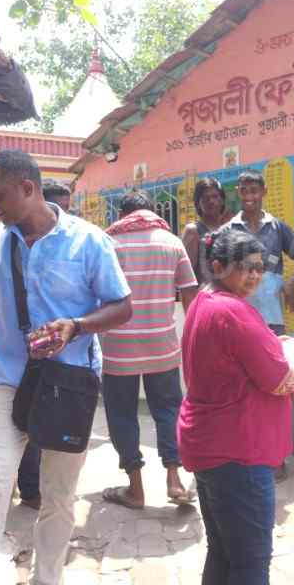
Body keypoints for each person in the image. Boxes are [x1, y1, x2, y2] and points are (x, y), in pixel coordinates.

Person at [0, 149, 133, 585]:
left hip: (70, 383)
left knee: (58, 496)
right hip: (10, 380)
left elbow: (122, 307)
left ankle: (47, 578)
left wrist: (75, 326)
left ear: (28, 188)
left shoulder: (89, 241)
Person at [177, 228, 294, 585]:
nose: (254, 275)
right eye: (244, 268)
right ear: (217, 266)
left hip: (210, 445)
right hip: (238, 451)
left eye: (259, 267)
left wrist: (276, 343)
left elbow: (238, 356)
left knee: (222, 551)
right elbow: (278, 379)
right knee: (250, 563)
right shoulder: (232, 311)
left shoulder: (205, 300)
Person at [100, 189, 199, 509]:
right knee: (168, 409)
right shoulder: (172, 243)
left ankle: (135, 488)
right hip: (161, 344)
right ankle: (174, 478)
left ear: (123, 214)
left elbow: (96, 293)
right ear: (152, 211)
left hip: (119, 345)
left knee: (121, 413)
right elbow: (189, 293)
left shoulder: (109, 243)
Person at [228, 170, 294, 481]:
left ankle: (277, 457)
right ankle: (246, 452)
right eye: (244, 189)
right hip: (239, 318)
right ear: (239, 192)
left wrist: (289, 286)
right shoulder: (229, 229)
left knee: (276, 386)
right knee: (242, 386)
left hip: (271, 318)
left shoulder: (278, 228)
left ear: (263, 191)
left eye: (254, 189)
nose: (249, 194)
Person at [16, 181, 76, 511]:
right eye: (58, 205)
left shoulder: (76, 243)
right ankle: (29, 489)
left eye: (67, 206)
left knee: (55, 429)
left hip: (65, 356)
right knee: (29, 426)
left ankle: (47, 492)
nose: (62, 214)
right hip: (25, 354)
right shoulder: (15, 245)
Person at [181, 177, 229, 286]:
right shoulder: (192, 231)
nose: (211, 201)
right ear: (198, 203)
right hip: (204, 296)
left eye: (215, 196)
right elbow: (187, 275)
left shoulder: (229, 229)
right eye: (205, 198)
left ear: (222, 200)